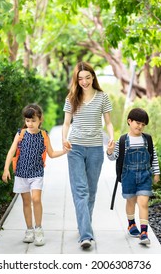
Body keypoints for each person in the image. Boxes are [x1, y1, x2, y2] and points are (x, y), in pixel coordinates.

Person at [62, 61, 114, 249]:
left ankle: (84, 225)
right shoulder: (71, 98)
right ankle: (86, 234)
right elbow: (66, 123)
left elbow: (108, 122)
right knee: (81, 191)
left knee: (91, 191)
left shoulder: (103, 97)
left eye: (87, 77)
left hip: (94, 149)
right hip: (75, 147)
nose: (84, 81)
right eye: (80, 78)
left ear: (93, 77)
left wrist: (111, 139)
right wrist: (64, 139)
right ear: (76, 80)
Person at [2, 103, 70, 246]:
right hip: (21, 173)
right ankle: (29, 230)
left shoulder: (44, 135)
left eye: (33, 120)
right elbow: (11, 151)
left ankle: (39, 229)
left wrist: (63, 151)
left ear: (40, 120)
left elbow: (51, 154)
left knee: (36, 199)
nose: (30, 123)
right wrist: (6, 169)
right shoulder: (20, 134)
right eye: (27, 121)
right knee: (26, 202)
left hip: (37, 173)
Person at [107, 107, 160, 245]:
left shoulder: (147, 139)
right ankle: (131, 224)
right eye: (138, 123)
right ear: (129, 121)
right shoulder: (123, 140)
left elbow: (153, 157)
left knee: (143, 203)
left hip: (144, 176)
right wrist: (110, 151)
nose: (140, 126)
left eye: (143, 124)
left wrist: (156, 173)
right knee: (131, 201)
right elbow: (114, 158)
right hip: (128, 176)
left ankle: (144, 232)